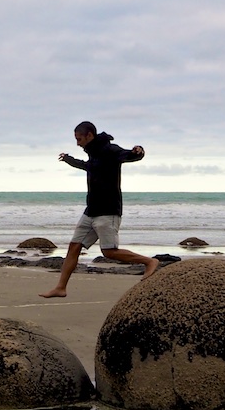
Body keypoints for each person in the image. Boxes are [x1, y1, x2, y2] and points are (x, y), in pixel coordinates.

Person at [39, 121, 159, 298]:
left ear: (89, 135)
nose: (77, 143)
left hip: (108, 210)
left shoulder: (110, 150)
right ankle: (60, 288)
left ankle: (149, 261)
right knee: (74, 247)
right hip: (91, 210)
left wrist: (138, 151)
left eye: (79, 139)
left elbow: (129, 155)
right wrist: (68, 159)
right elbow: (86, 166)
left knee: (109, 252)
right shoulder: (93, 154)